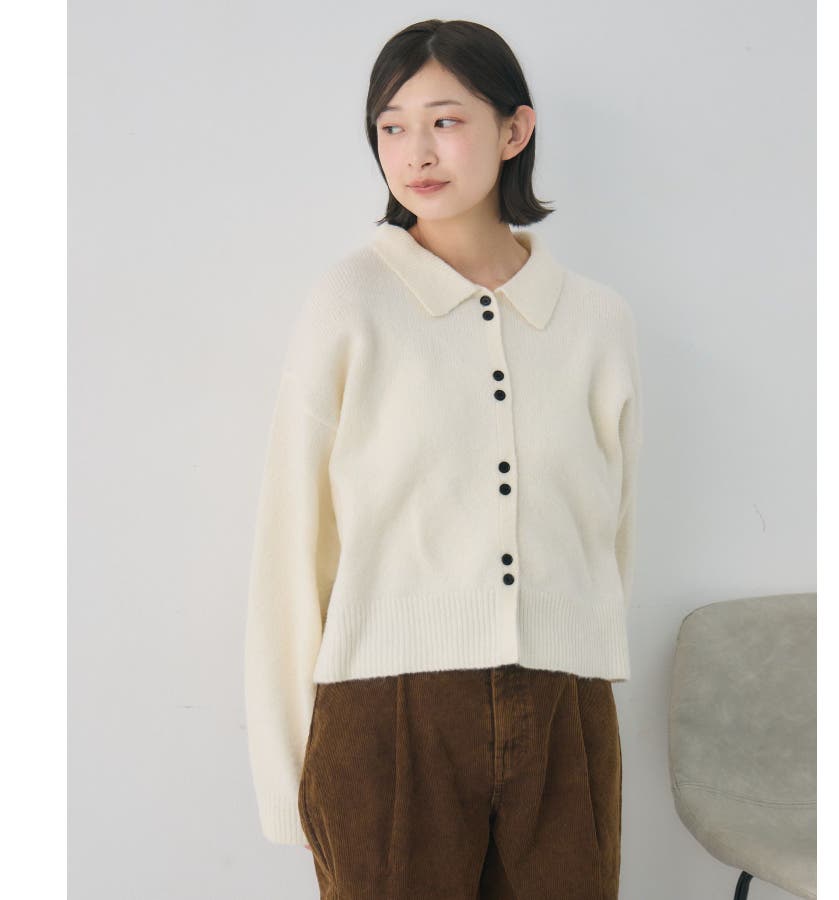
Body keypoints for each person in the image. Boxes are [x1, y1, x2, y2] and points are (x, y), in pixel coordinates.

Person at [244, 18, 643, 900]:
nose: (415, 153)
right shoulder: (350, 303)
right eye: (391, 127)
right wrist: (285, 774)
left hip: (565, 709)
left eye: (445, 121)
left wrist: (580, 659)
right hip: (388, 713)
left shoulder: (597, 322)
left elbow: (612, 530)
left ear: (514, 130)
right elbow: (291, 545)